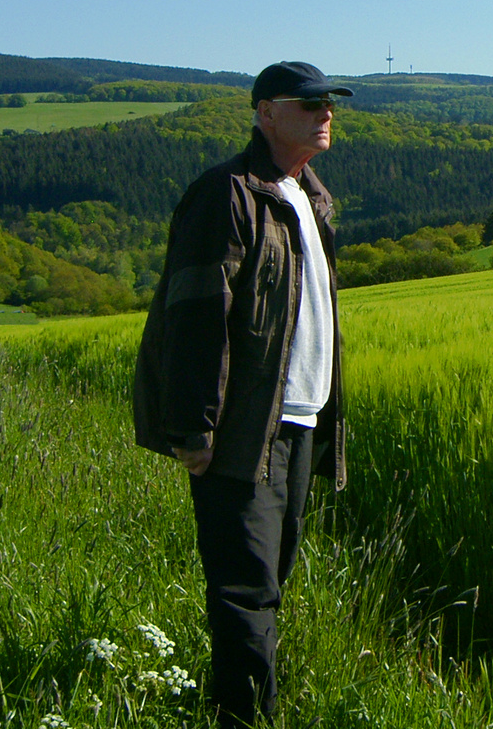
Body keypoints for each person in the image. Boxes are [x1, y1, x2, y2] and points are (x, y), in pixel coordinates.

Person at [133, 60, 352, 726]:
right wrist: (193, 428)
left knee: (269, 583)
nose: (325, 113)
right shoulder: (226, 193)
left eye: (329, 103)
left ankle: (237, 704)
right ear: (264, 112)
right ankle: (246, 717)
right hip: (243, 428)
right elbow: (195, 312)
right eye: (308, 103)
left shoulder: (308, 198)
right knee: (245, 589)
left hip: (302, 423)